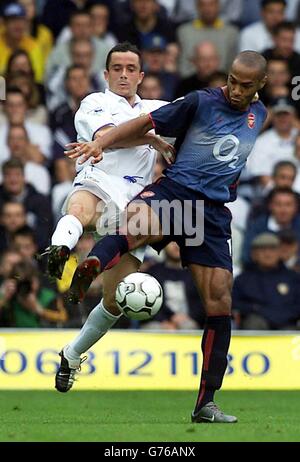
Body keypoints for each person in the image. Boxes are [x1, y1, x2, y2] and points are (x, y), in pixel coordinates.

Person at [64, 50, 268, 423]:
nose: (236, 90)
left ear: (261, 86)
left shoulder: (261, 116)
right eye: (232, 81)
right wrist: (101, 144)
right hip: (176, 192)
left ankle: (206, 403)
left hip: (212, 213)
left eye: (245, 86)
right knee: (135, 230)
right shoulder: (200, 101)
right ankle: (91, 266)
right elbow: (144, 122)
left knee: (220, 300)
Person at [43, 42, 172, 388]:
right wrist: (154, 141)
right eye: (117, 68)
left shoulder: (156, 109)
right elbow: (106, 139)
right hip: (101, 181)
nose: (124, 74)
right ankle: (60, 251)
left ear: (142, 76)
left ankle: (70, 355)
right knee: (80, 209)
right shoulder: (94, 103)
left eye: (131, 69)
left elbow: (199, 110)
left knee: (115, 301)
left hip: (134, 208)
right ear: (106, 74)